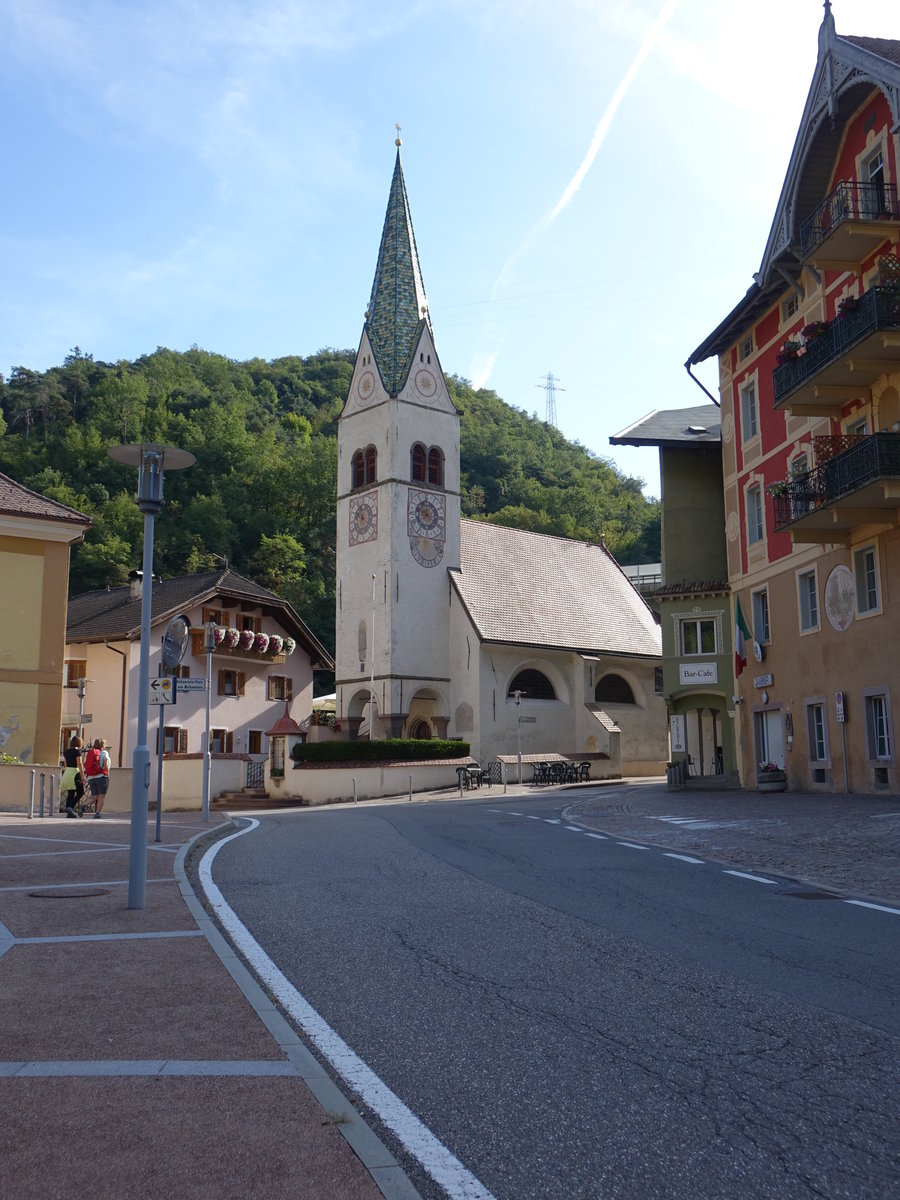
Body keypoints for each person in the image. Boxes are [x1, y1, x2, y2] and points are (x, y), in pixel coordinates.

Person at [83, 737, 111, 818]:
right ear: (102, 745)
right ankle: (97, 813)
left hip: (91, 777)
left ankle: (83, 805)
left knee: (94, 796)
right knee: (101, 796)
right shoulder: (104, 753)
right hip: (101, 776)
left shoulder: (91, 752)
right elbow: (105, 765)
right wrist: (107, 774)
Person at [61, 734, 85, 818]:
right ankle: (70, 807)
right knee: (81, 792)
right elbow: (79, 763)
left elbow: (65, 763)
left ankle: (69, 812)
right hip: (75, 772)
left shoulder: (66, 751)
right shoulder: (78, 751)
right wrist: (82, 776)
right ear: (79, 743)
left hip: (67, 772)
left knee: (70, 793)